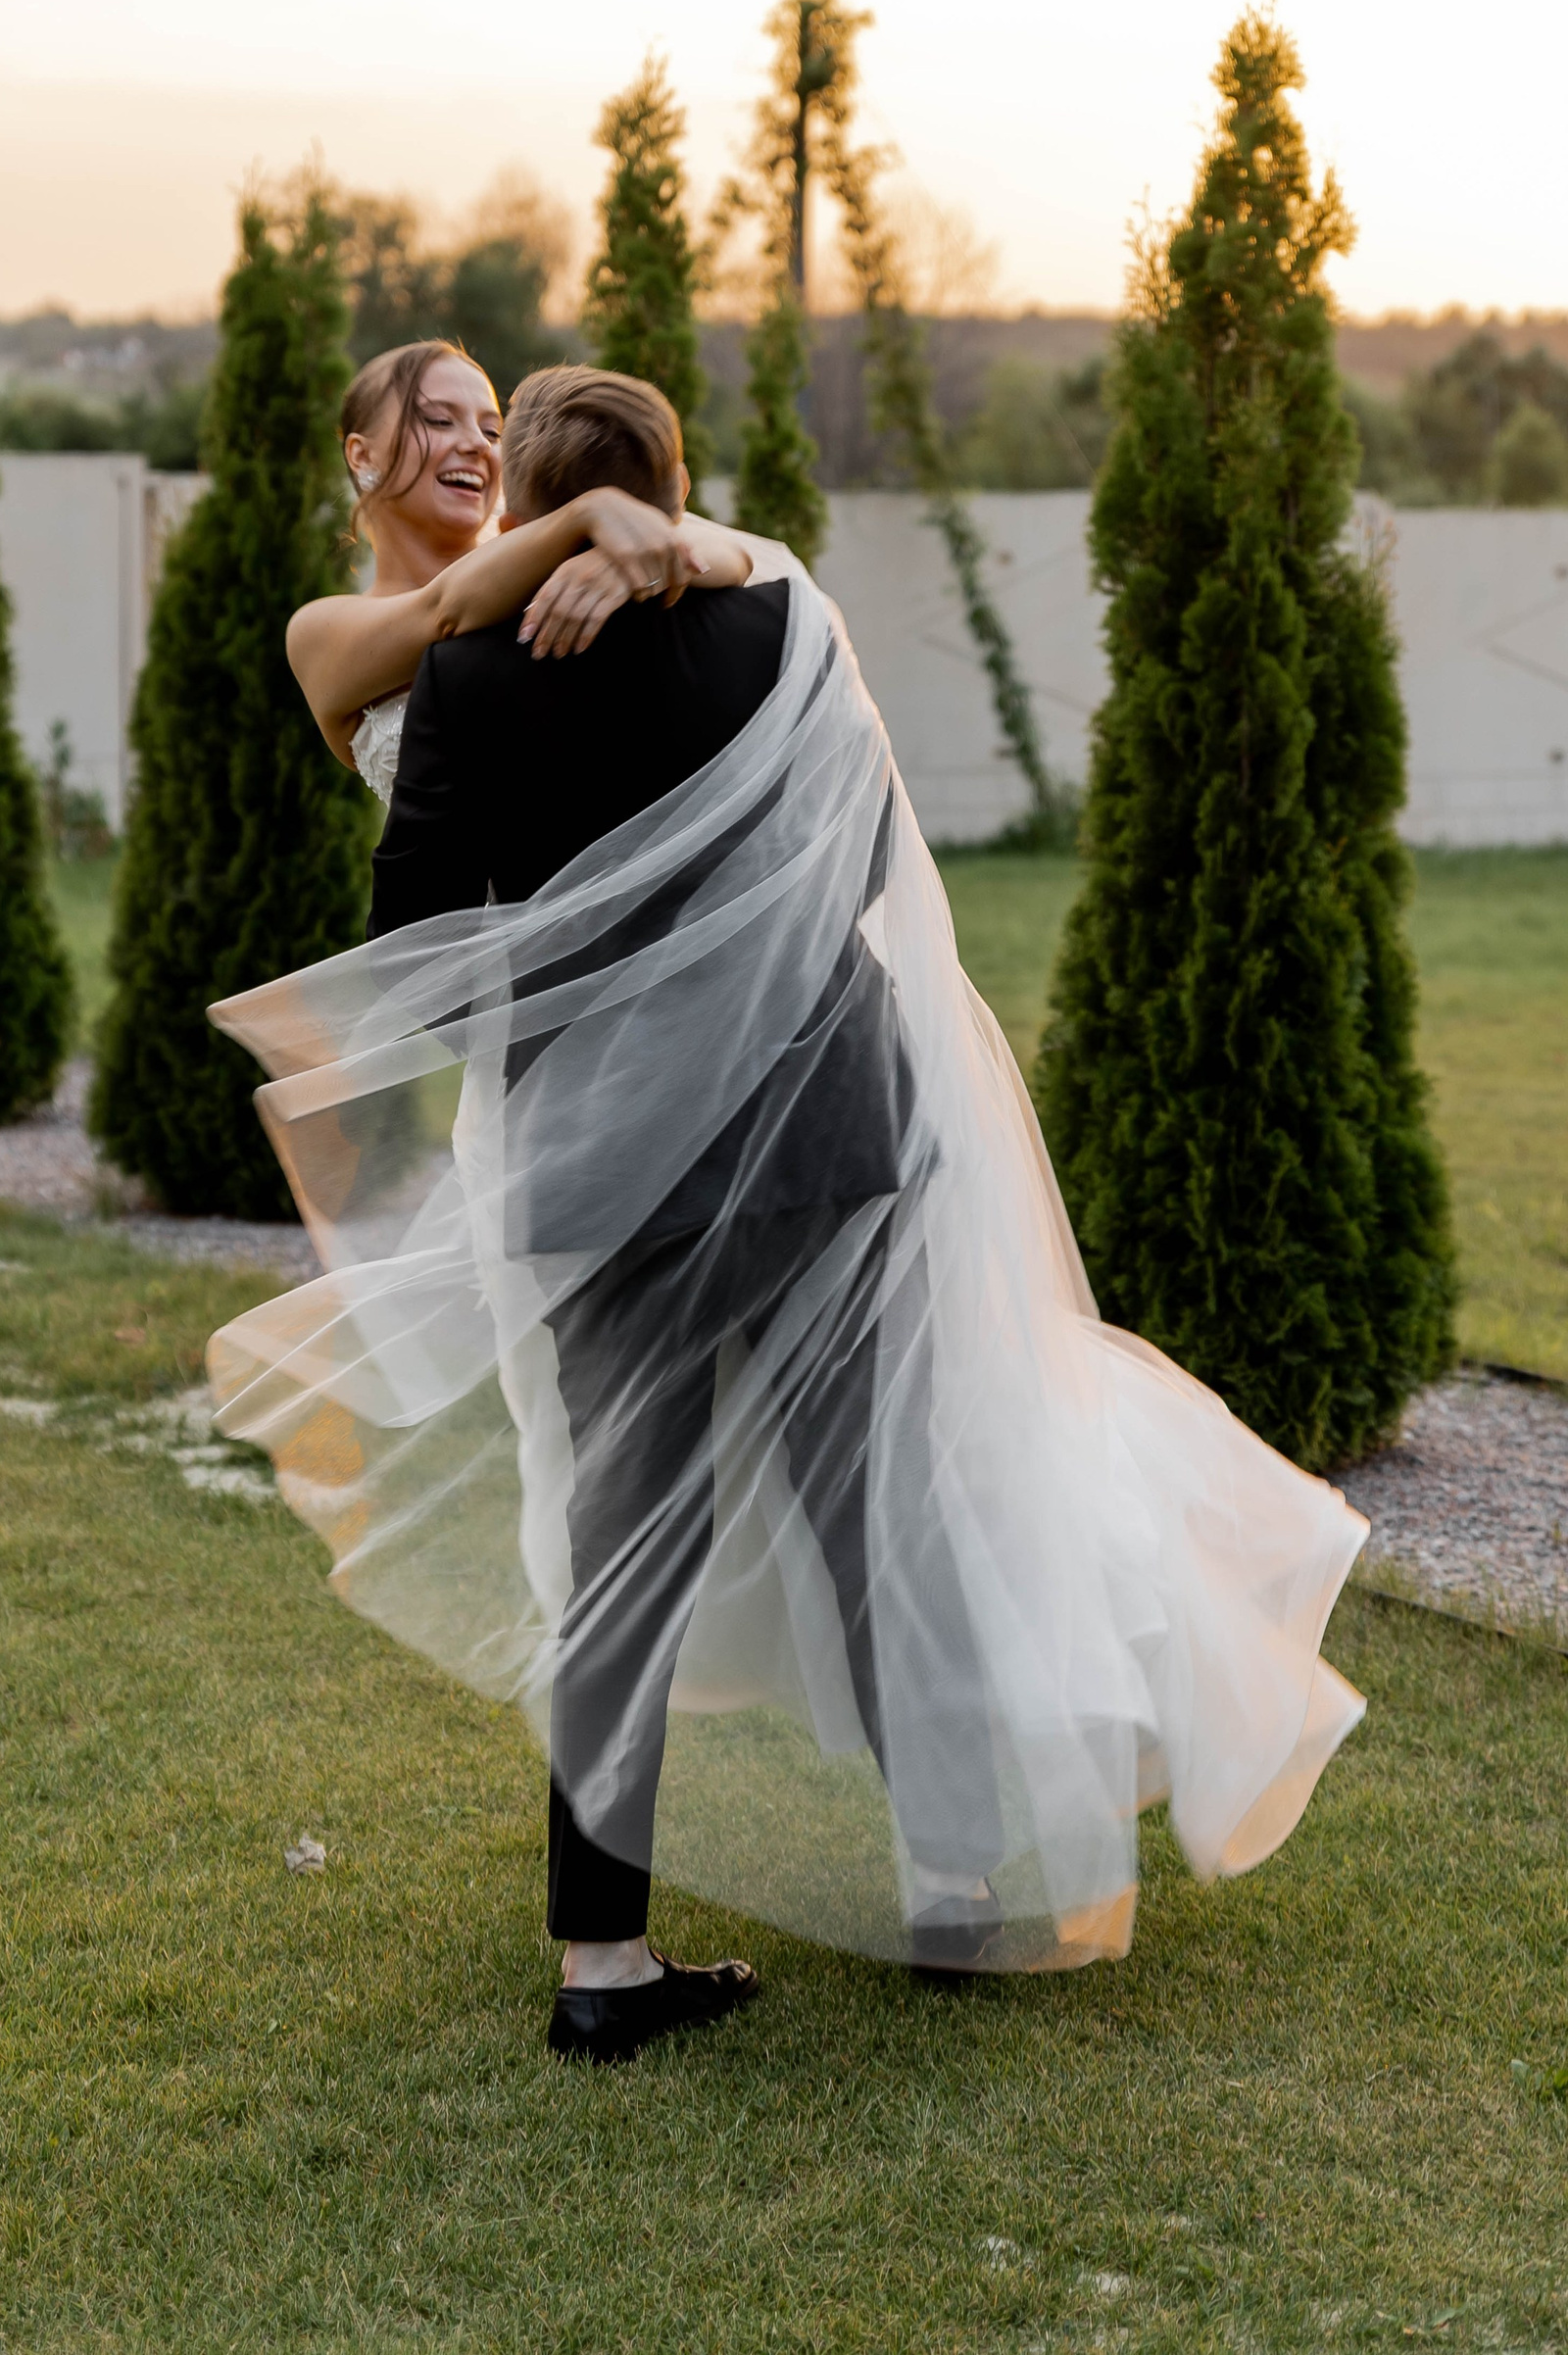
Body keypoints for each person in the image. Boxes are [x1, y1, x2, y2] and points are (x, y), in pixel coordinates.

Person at [207, 366, 1369, 2071]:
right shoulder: (783, 626)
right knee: (884, 1517)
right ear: (672, 488)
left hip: (607, 1184)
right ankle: (958, 1885)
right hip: (830, 1147)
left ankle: (603, 1959)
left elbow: (424, 968)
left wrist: (583, 1019)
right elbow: (866, 872)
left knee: (622, 1554)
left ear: (541, 492)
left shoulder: (463, 678)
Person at [281, 337, 756, 793]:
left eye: (493, 431)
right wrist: (588, 512)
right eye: (440, 420)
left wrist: (621, 563)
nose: (478, 444)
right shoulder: (318, 630)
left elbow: (736, 557)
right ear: (362, 454)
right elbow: (441, 611)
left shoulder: (567, 559)